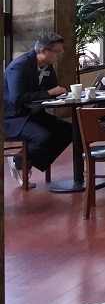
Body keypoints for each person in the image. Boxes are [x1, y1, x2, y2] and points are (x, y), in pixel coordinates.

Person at [3, 32, 72, 187]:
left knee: (68, 130)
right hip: (13, 117)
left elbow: (52, 89)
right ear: (43, 51)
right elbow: (18, 98)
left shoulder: (47, 66)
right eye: (57, 52)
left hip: (33, 113)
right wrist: (49, 93)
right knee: (42, 137)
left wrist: (63, 94)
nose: (60, 55)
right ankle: (19, 161)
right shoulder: (19, 66)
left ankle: (27, 162)